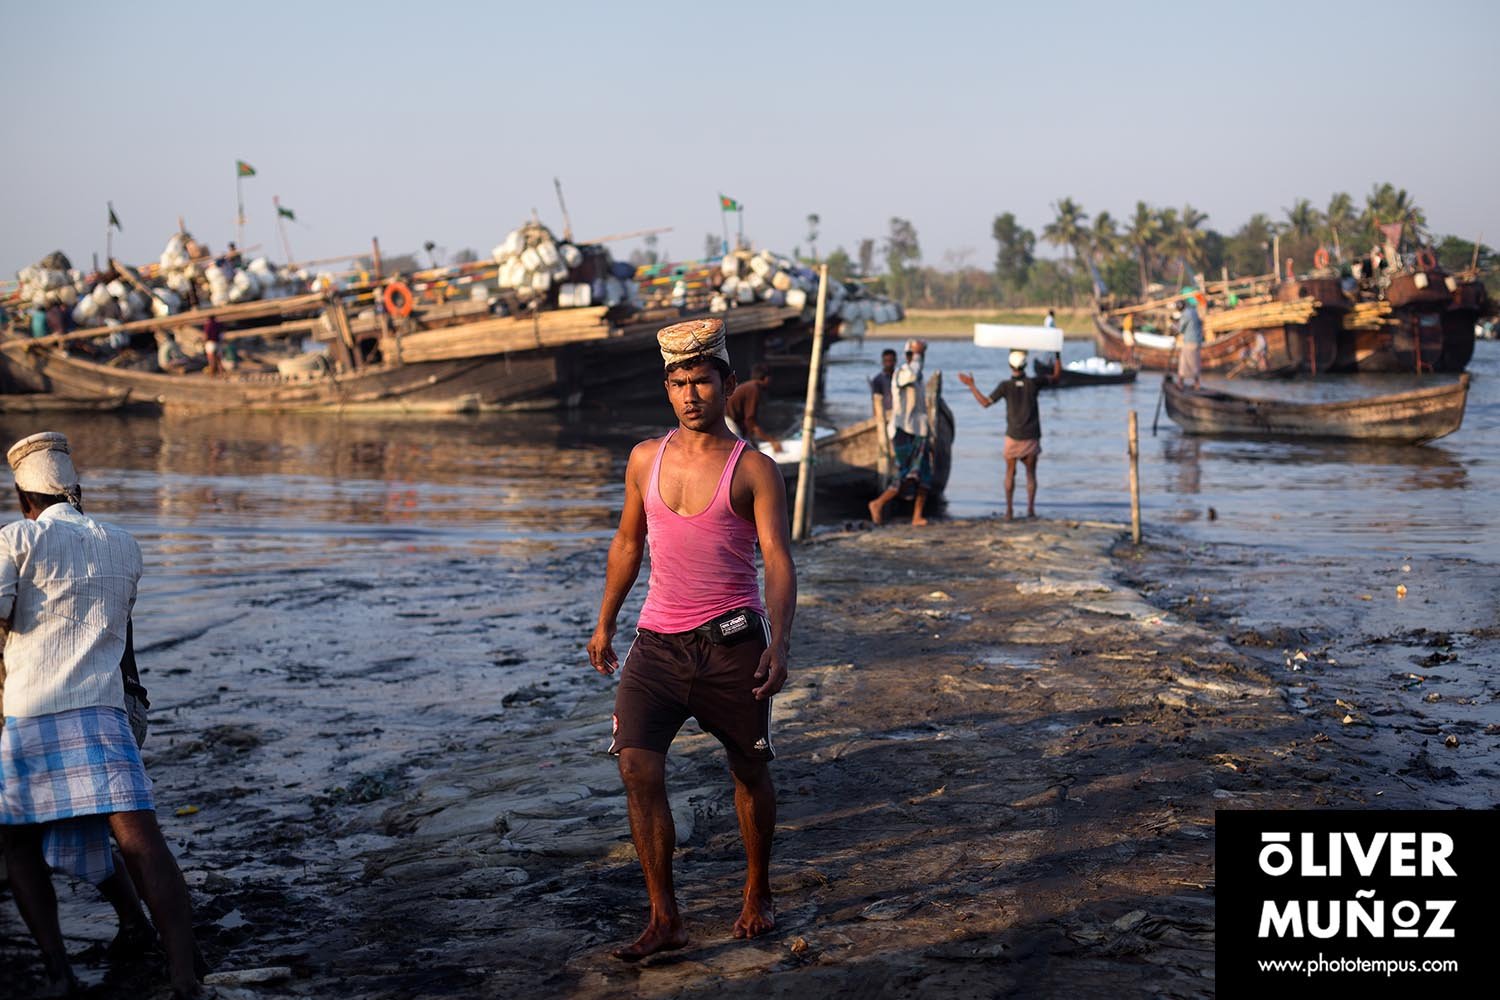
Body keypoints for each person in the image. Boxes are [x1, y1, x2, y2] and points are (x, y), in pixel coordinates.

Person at [587, 318, 795, 962]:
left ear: (727, 385)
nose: (689, 395)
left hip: (731, 643)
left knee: (748, 768)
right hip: (657, 642)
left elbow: (777, 560)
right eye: (677, 383)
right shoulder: (643, 458)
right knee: (635, 765)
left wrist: (780, 643)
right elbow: (628, 543)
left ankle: (757, 891)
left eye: (701, 381)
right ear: (667, 388)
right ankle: (665, 918)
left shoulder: (754, 469)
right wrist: (605, 621)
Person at [0, 432, 204, 997]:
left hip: (31, 712)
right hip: (105, 710)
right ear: (77, 491)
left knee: (20, 845)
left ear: (24, 498)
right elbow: (118, 631)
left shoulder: (16, 538)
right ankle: (185, 974)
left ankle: (59, 973)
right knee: (141, 840)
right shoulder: (124, 544)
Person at [957, 349, 1060, 520]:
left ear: (1010, 366)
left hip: (1013, 436)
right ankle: (1030, 510)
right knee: (1031, 475)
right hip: (1031, 436)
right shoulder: (1034, 383)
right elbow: (1056, 377)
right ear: (1025, 365)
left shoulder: (1005, 386)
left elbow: (985, 403)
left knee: (1010, 473)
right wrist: (1057, 356)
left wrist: (971, 385)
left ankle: (1009, 511)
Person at [867, 339, 933, 527]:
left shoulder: (917, 375)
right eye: (915, 356)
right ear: (908, 357)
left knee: (924, 475)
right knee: (905, 474)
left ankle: (917, 516)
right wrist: (917, 354)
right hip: (904, 431)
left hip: (919, 431)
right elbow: (913, 372)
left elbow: (917, 372)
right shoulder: (902, 373)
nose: (918, 359)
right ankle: (878, 503)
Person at [725, 364, 780, 452]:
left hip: (731, 421)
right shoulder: (754, 389)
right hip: (728, 421)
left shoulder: (749, 386)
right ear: (766, 378)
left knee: (749, 448)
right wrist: (772, 441)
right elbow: (751, 422)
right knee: (739, 452)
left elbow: (747, 421)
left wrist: (752, 440)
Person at [1176, 296, 1203, 389]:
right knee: (1194, 362)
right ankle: (1195, 383)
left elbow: (1180, 329)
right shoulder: (1194, 311)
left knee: (1185, 362)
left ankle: (1181, 383)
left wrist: (1174, 327)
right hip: (1197, 341)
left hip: (1190, 342)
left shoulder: (1185, 314)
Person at [868, 348, 897, 415]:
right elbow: (875, 401)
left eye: (891, 361)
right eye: (886, 361)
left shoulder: (900, 377)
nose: (889, 364)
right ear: (882, 362)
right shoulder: (878, 380)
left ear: (895, 361)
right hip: (885, 413)